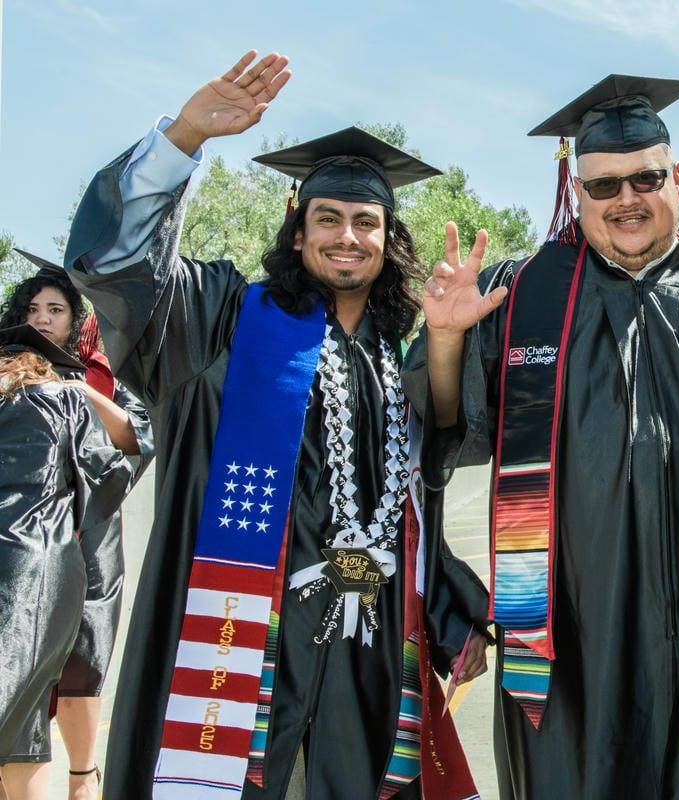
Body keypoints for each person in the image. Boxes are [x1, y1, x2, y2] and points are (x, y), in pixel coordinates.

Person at [63, 51, 487, 799]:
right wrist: (185, 136)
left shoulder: (391, 356)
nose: (347, 237)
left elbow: (430, 475)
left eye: (366, 222)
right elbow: (120, 269)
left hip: (364, 655)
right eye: (328, 219)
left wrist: (446, 340)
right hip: (242, 644)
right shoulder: (223, 320)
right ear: (298, 231)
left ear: (390, 241)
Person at [404, 74, 679, 799]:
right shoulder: (520, 293)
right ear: (577, 194)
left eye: (646, 178)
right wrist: (444, 341)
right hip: (567, 625)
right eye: (603, 186)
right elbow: (444, 427)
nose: (626, 199)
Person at [0, 251, 154, 800]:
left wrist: (76, 386)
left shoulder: (104, 372)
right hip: (30, 532)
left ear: (77, 319)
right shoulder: (11, 370)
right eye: (33, 308)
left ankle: (83, 775)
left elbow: (136, 442)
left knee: (83, 659)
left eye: (55, 309)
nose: (42, 318)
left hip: (88, 530)